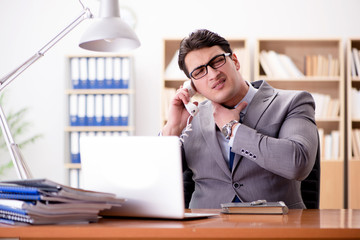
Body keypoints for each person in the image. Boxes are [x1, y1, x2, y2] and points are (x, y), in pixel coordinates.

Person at [161, 29, 319, 209]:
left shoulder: (292, 102)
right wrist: (172, 128)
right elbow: (158, 178)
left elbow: (298, 163)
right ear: (192, 85)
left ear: (235, 61)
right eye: (199, 71)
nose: (213, 74)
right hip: (205, 230)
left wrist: (233, 129)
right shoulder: (191, 117)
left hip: (276, 228)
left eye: (217, 61)